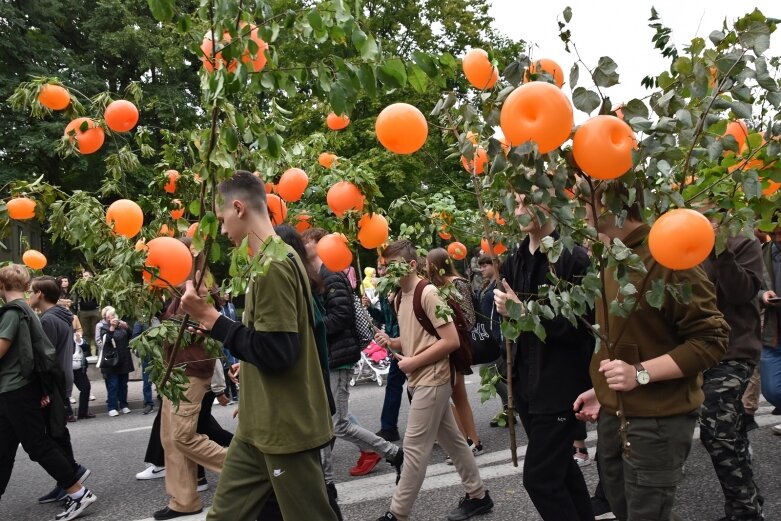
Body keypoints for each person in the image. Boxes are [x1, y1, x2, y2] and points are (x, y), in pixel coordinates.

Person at [180, 170, 336, 520]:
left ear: (238, 208)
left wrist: (211, 319)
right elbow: (270, 342)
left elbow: (279, 353)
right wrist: (244, 360)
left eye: (221, 220)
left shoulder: (272, 264)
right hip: (257, 427)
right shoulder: (274, 257)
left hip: (284, 430)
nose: (221, 231)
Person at [573, 183, 730, 521]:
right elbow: (625, 339)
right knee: (624, 510)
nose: (579, 206)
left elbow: (712, 339)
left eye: (585, 196)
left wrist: (639, 373)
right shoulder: (610, 257)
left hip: (657, 422)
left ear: (613, 204)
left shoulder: (665, 253)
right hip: (615, 419)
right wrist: (603, 391)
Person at [492, 194, 593, 521]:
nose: (519, 210)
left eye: (527, 202)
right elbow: (516, 330)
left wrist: (522, 314)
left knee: (540, 479)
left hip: (561, 388)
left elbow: (582, 329)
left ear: (550, 202)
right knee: (561, 469)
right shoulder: (514, 260)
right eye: (516, 202)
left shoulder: (573, 259)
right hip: (526, 387)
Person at [376, 240, 492, 521]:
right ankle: (478, 496)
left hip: (434, 378)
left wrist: (414, 361)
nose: (384, 272)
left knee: (415, 449)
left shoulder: (427, 292)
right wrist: (393, 341)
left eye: (391, 266)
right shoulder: (399, 297)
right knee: (454, 442)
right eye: (383, 266)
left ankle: (397, 514)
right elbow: (419, 336)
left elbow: (450, 340)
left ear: (412, 265)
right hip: (420, 379)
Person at [302, 227, 403, 478]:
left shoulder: (331, 276)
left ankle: (391, 452)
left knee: (336, 423)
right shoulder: (319, 276)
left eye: (307, 240)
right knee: (330, 420)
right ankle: (324, 477)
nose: (302, 243)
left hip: (338, 357)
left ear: (321, 244)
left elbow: (340, 317)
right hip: (331, 357)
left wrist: (310, 329)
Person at [0, 264, 97, 521]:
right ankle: (76, 488)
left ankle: (78, 493)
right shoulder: (27, 312)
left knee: (38, 446)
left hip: (15, 390)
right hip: (16, 389)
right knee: (4, 447)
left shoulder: (13, 313)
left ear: (2, 286)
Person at [152, 238, 229, 521]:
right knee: (170, 440)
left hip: (191, 370)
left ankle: (246, 468)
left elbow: (198, 326)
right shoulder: (179, 285)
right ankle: (183, 501)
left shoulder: (197, 286)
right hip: (177, 370)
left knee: (183, 437)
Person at [700, 225, 765, 521]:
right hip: (697, 350)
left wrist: (720, 249)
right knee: (729, 429)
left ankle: (745, 512)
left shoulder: (743, 240)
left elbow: (742, 293)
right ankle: (747, 502)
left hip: (734, 350)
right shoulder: (681, 238)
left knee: (717, 429)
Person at [28, 275, 93, 505]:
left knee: (54, 433)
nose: (29, 295)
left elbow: (46, 358)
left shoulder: (47, 320)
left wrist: (43, 389)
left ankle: (71, 476)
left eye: (31, 291)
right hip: (62, 379)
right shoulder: (61, 315)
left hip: (54, 382)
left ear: (40, 295)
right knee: (57, 430)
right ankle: (65, 481)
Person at [426, 248, 485, 460]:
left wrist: (448, 325)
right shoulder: (434, 287)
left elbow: (469, 318)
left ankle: (468, 442)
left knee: (452, 397)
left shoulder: (458, 283)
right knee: (456, 396)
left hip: (455, 346)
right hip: (448, 345)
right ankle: (471, 442)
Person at [367, 260, 405, 442]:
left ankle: (389, 427)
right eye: (378, 268)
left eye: (383, 268)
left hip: (405, 342)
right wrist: (370, 308)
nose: (380, 272)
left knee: (408, 385)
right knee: (402, 385)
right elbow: (385, 318)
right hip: (393, 344)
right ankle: (389, 427)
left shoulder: (402, 286)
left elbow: (403, 315)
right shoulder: (383, 289)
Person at [474, 255, 509, 428]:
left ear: (495, 264)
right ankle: (509, 409)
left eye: (484, 265)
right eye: (480, 266)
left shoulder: (501, 284)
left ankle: (511, 407)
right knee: (502, 375)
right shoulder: (486, 285)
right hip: (487, 336)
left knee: (488, 374)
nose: (481, 269)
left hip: (498, 336)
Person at [757, 225, 781, 434]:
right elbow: (753, 283)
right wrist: (762, 294)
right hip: (773, 329)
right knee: (771, 390)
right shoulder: (764, 251)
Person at [96, 306, 134, 417]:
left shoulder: (122, 326)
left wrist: (127, 327)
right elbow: (105, 341)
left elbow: (132, 337)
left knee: (123, 384)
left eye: (113, 315)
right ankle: (112, 407)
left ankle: (124, 405)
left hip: (124, 359)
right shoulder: (104, 327)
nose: (112, 317)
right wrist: (112, 328)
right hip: (112, 361)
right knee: (113, 385)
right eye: (109, 316)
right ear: (106, 318)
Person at [71, 315, 94, 419]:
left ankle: (83, 412)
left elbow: (86, 348)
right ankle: (68, 414)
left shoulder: (76, 335)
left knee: (85, 388)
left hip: (78, 367)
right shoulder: (63, 334)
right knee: (64, 391)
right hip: (66, 368)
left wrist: (79, 340)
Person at [74, 271, 100, 357]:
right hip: (83, 311)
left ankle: (97, 351)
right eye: (84, 276)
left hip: (95, 310)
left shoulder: (96, 286)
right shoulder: (79, 287)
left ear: (91, 277)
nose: (85, 277)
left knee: (95, 331)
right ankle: (87, 351)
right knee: (85, 332)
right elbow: (76, 297)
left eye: (87, 276)